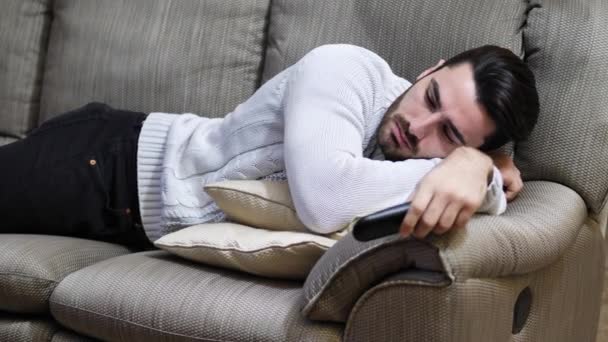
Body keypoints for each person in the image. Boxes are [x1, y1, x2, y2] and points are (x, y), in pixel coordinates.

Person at [0, 44, 539, 250]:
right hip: (109, 161)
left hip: (131, 219)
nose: (418, 127)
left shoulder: (425, 160)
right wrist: (473, 167)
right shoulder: (346, 69)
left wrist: (479, 175)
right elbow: (325, 197)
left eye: (449, 135)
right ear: (428, 70)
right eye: (432, 97)